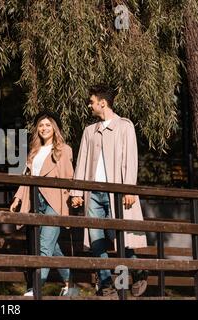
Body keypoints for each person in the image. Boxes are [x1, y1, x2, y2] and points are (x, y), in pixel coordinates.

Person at [71, 84, 148, 297]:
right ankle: (106, 284)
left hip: (117, 193)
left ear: (102, 103)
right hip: (93, 194)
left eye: (91, 101)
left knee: (121, 239)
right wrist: (77, 192)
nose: (89, 105)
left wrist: (129, 189)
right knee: (96, 240)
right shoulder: (89, 131)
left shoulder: (125, 126)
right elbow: (81, 163)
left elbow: (130, 161)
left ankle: (139, 273)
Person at [10, 111, 74, 297]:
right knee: (51, 246)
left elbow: (68, 178)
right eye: (40, 125)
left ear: (54, 128)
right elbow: (26, 178)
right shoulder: (34, 151)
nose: (44, 128)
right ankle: (70, 280)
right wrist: (18, 198)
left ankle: (35, 289)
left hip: (54, 200)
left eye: (47, 125)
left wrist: (72, 199)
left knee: (44, 245)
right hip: (35, 200)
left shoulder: (64, 149)